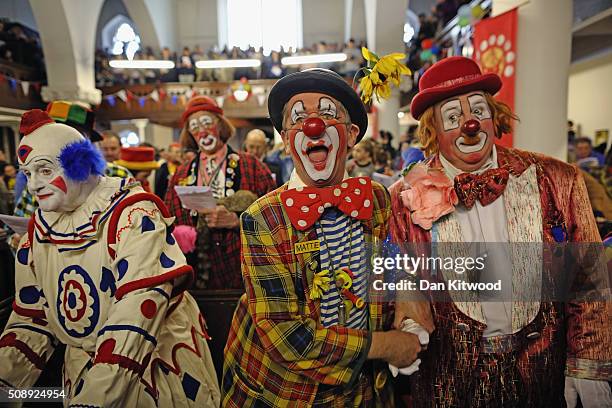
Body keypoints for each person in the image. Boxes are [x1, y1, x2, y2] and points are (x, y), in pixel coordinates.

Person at [388, 56, 611, 407]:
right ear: (432, 130)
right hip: (449, 381)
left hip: (543, 373)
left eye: (478, 110)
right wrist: (407, 326)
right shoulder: (404, 197)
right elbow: (399, 279)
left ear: (494, 116)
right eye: (452, 117)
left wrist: (588, 361)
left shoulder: (556, 179)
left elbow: (589, 277)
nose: (470, 124)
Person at [223, 69, 421, 406]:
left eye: (328, 114)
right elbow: (287, 336)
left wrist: (410, 315)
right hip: (285, 394)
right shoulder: (262, 218)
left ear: (352, 133)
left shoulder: (378, 199)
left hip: (365, 390)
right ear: (287, 141)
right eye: (298, 118)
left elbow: (399, 272)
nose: (312, 125)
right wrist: (388, 344)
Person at [0, 109, 220, 407]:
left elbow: (137, 315)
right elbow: (32, 319)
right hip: (85, 372)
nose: (34, 184)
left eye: (44, 170)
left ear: (78, 165)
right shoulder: (38, 230)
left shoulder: (134, 216)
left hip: (154, 367)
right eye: (28, 173)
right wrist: (6, 384)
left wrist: (95, 397)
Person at [164, 96, 275, 289]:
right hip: (197, 275)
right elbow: (169, 220)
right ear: (189, 133)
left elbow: (275, 214)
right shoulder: (180, 174)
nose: (203, 131)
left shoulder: (252, 165)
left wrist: (237, 221)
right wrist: (181, 233)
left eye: (207, 123)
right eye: (195, 126)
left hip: (244, 271)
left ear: (220, 125)